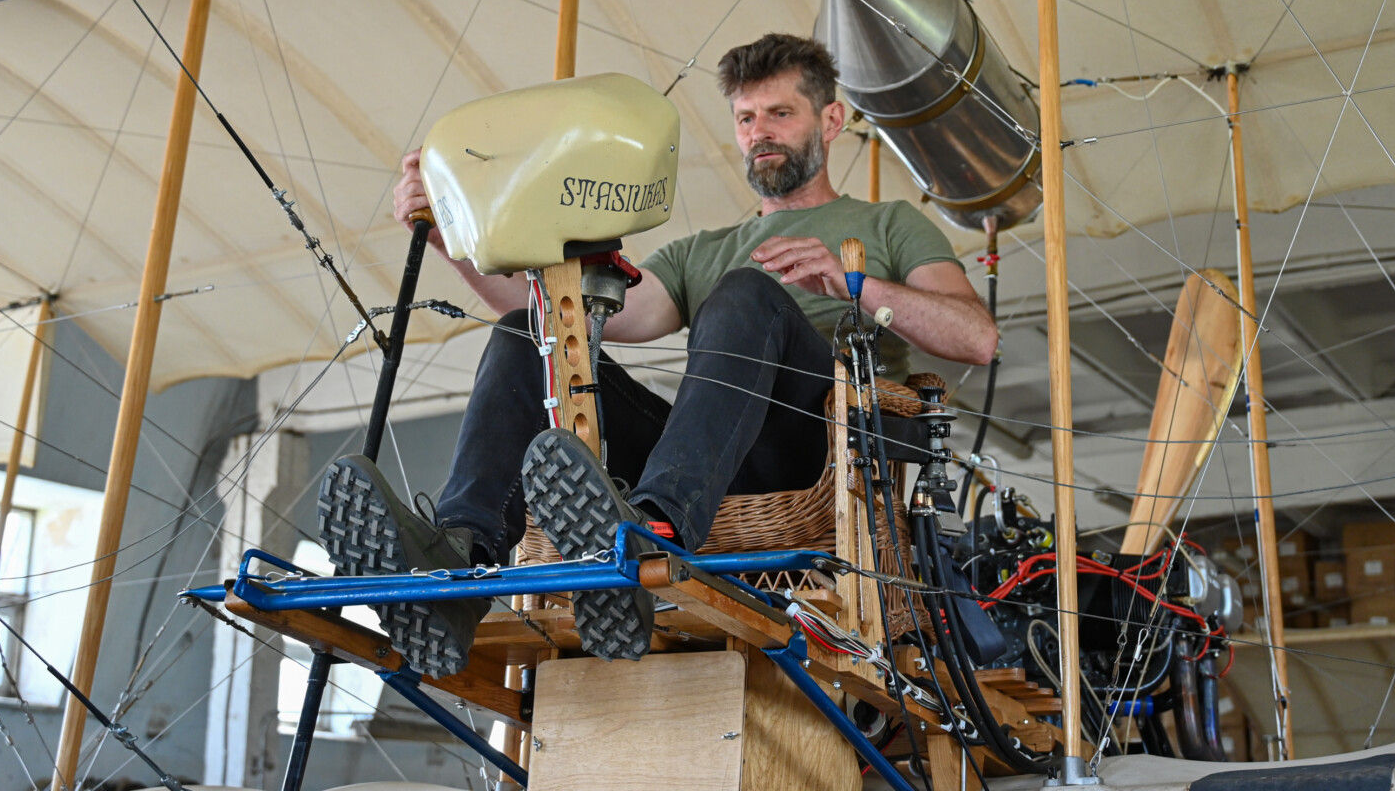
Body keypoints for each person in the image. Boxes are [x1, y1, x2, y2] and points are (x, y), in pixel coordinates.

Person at [316, 33, 997, 676]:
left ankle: (653, 535)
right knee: (525, 332)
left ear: (831, 120)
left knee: (745, 294)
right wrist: (452, 242)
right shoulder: (702, 250)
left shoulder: (888, 225)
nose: (759, 131)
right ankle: (459, 562)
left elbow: (976, 337)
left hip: (817, 450)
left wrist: (857, 284)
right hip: (706, 459)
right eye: (746, 118)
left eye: (780, 113)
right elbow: (565, 314)